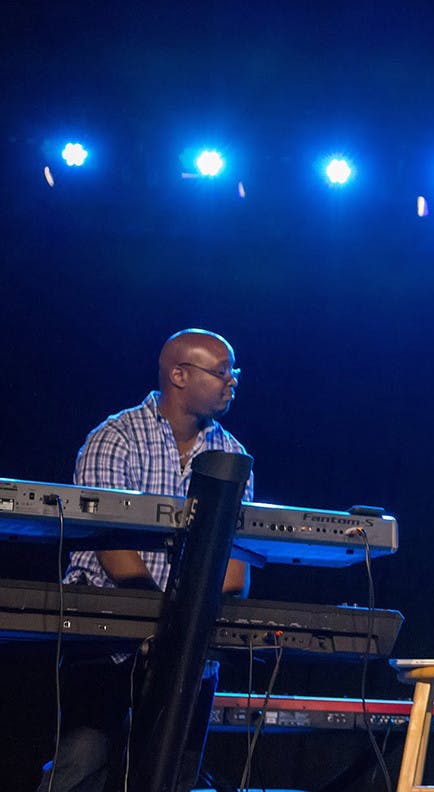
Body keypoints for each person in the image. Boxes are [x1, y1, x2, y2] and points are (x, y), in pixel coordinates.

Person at [38, 328, 253, 792]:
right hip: (107, 641)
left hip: (186, 650)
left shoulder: (232, 455)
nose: (231, 383)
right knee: (84, 763)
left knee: (173, 774)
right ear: (179, 374)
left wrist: (180, 632)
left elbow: (234, 570)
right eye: (221, 373)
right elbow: (114, 550)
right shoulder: (115, 438)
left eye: (233, 373)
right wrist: (169, 622)